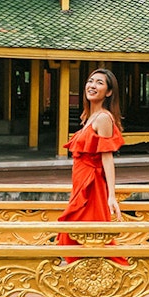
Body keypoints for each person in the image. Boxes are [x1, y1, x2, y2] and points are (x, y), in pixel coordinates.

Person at [56, 68, 128, 265]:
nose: (92, 86)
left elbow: (107, 157)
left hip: (92, 185)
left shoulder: (104, 118)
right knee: (77, 233)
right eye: (90, 81)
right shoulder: (89, 117)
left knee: (88, 233)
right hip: (80, 183)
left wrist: (111, 195)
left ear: (109, 92)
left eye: (99, 83)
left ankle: (110, 276)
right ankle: (82, 278)